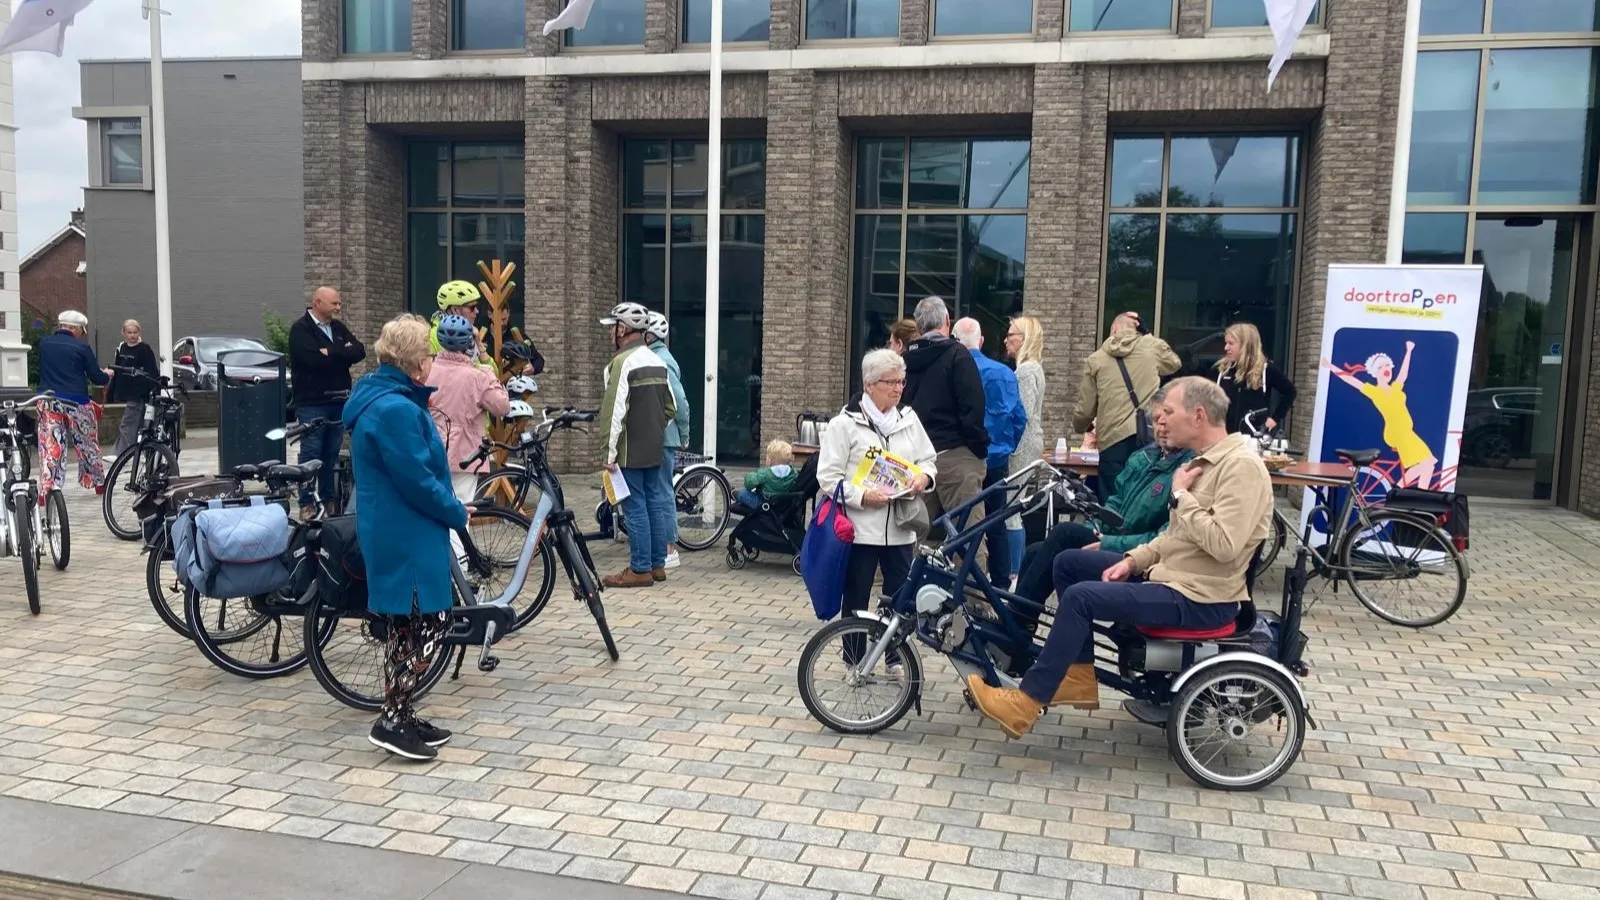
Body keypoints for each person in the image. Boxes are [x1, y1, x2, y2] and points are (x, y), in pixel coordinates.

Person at [967, 377, 1272, 739]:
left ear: (1199, 415)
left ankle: (1026, 702)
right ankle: (1077, 675)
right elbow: (1173, 537)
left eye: (1169, 412)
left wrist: (1180, 497)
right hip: (1174, 578)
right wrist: (1132, 560)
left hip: (1201, 597)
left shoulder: (1240, 468)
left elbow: (1225, 545)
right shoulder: (1205, 464)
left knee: (1081, 597)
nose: (1160, 419)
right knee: (1067, 561)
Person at [343, 313, 468, 761]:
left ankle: (401, 711)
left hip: (395, 524)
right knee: (430, 621)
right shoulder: (396, 409)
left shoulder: (381, 397)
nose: (433, 360)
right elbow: (415, 478)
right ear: (415, 362)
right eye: (429, 353)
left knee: (406, 625)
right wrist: (455, 511)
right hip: (407, 528)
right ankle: (393, 718)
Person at [1014, 385, 1193, 607]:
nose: (1161, 426)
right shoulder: (1142, 458)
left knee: (1064, 533)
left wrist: (1109, 542)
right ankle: (1021, 626)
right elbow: (1114, 504)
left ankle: (1015, 621)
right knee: (1035, 551)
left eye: (1168, 419)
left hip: (1138, 554)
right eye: (1156, 420)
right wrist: (1096, 530)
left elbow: (1166, 535)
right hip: (1113, 539)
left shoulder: (1187, 470)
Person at [818, 348, 937, 659]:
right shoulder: (844, 424)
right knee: (857, 597)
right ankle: (854, 658)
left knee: (901, 599)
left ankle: (895, 658)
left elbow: (929, 460)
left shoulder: (909, 420)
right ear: (869, 384)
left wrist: (923, 478)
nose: (898, 388)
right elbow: (828, 478)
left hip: (901, 528)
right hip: (860, 529)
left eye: (901, 382)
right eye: (891, 382)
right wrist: (862, 497)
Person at [598, 302, 677, 588]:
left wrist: (608, 454)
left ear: (624, 329)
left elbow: (614, 412)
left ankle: (640, 569)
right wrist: (653, 432)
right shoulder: (658, 361)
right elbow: (671, 408)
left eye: (613, 328)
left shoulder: (621, 363)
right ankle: (657, 565)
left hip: (628, 450)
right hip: (654, 448)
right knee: (655, 502)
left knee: (635, 508)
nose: (611, 334)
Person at [426, 313, 511, 566]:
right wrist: (487, 367)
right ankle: (458, 572)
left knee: (431, 510)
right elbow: (502, 407)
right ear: (469, 343)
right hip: (465, 454)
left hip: (429, 449)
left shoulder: (426, 369)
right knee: (460, 511)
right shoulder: (478, 375)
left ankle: (433, 566)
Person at [1073, 311, 1182, 503]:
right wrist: (1147, 333)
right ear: (1136, 329)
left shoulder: (1096, 359)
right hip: (1147, 436)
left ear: (1113, 329)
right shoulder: (1152, 347)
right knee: (1143, 499)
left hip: (1112, 440)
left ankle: (1111, 532)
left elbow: (1085, 408)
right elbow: (1174, 364)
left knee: (1113, 501)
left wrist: (1080, 426)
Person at [902, 297, 989, 528]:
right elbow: (973, 408)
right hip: (957, 453)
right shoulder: (958, 355)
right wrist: (979, 448)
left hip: (916, 459)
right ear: (947, 320)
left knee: (909, 533)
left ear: (919, 326)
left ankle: (903, 567)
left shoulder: (905, 361)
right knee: (968, 535)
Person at [952, 317, 1025, 586]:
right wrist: (1007, 448)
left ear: (954, 340)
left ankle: (964, 580)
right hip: (996, 459)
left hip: (965, 458)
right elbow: (1020, 417)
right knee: (997, 522)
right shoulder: (1004, 373)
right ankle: (1002, 584)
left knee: (963, 522)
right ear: (981, 341)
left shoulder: (955, 370)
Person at [289, 286, 367, 518]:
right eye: (334, 304)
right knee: (312, 451)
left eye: (339, 303)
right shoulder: (300, 330)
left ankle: (328, 499)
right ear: (318, 302)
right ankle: (307, 502)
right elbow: (312, 361)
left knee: (331, 452)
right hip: (313, 401)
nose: (338, 308)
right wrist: (341, 353)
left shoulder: (338, 328)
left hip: (340, 400)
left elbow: (359, 351)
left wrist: (329, 351)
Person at [1324, 342, 1436, 488]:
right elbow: (1351, 380)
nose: (1385, 369)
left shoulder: (1395, 388)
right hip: (1397, 433)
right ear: (1374, 372)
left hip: (1407, 432)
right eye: (1380, 367)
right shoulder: (1374, 391)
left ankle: (1405, 491)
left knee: (1429, 465)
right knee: (1428, 463)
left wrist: (1409, 351)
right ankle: (1401, 491)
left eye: (1387, 366)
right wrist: (1330, 366)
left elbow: (1403, 374)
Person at [35, 310, 111, 496]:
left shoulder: (44, 344)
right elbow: (97, 377)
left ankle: (47, 488)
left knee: (51, 444)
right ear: (77, 329)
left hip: (48, 400)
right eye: (82, 332)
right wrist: (107, 374)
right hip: (77, 402)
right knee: (87, 443)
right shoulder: (81, 348)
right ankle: (98, 483)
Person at [644, 311, 691, 570]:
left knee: (662, 491)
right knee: (656, 490)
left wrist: (684, 435)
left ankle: (669, 548)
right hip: (655, 436)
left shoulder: (662, 361)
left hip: (663, 436)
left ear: (650, 335)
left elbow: (680, 402)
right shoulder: (656, 357)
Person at [1004, 315, 1046, 575]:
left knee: (1010, 508)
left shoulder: (1027, 370)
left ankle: (1013, 570)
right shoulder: (1033, 368)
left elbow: (1024, 412)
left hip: (1023, 443)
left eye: (1011, 335)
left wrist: (1012, 446)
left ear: (1024, 339)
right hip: (1030, 442)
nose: (1006, 340)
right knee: (1013, 506)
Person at [1216, 322, 1297, 435]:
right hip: (1225, 438)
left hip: (1253, 439)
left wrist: (1273, 420)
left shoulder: (1266, 370)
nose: (1226, 348)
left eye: (1231, 343)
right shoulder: (1222, 371)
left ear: (1245, 345)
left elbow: (1290, 391)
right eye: (1226, 343)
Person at [107, 319, 160, 458]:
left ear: (139, 333)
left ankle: (120, 454)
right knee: (143, 425)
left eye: (135, 332)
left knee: (128, 423)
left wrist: (152, 390)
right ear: (123, 333)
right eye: (129, 332)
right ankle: (148, 455)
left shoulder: (144, 349)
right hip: (127, 390)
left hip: (139, 391)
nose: (132, 335)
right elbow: (118, 368)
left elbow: (152, 370)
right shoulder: (121, 348)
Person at [428, 280, 495, 372]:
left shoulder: (470, 334)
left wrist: (479, 344)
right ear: (455, 310)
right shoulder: (433, 337)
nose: (477, 311)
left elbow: (494, 374)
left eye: (477, 306)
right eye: (472, 307)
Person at [738, 440, 799, 510]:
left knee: (743, 492)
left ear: (770, 460)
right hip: (785, 507)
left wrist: (750, 476)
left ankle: (737, 495)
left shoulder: (765, 473)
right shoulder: (793, 474)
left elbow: (749, 483)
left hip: (766, 506)